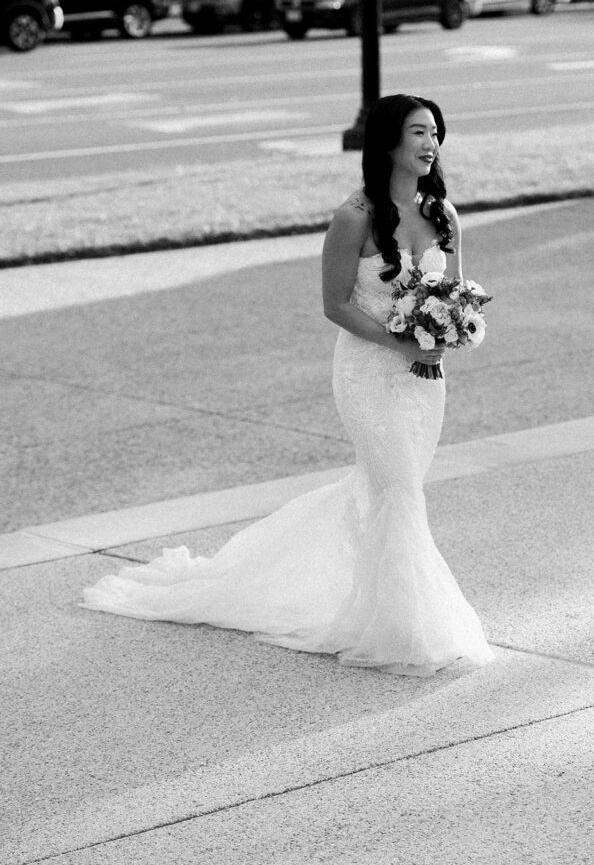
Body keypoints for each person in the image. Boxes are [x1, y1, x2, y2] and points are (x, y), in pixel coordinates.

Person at [81, 94, 494, 677]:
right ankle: (410, 630)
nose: (431, 144)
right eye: (419, 132)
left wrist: (446, 336)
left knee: (388, 490)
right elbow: (335, 305)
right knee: (400, 491)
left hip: (427, 378)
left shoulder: (444, 215)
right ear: (387, 143)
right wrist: (401, 342)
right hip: (368, 373)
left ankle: (363, 604)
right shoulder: (354, 217)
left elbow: (454, 295)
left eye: (435, 133)